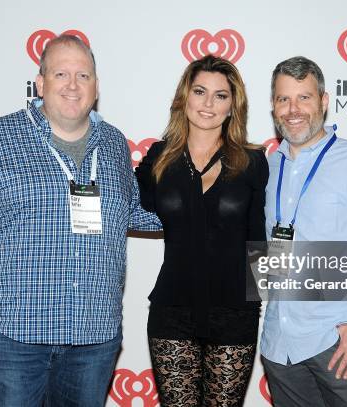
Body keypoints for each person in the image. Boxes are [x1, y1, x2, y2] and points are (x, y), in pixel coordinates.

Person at [0, 35, 160, 406]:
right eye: (61, 73)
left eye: (83, 76)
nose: (72, 85)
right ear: (40, 83)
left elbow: (132, 210)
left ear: (96, 87)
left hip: (92, 336)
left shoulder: (114, 143)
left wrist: (207, 204)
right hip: (11, 338)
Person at [260, 56, 347, 406]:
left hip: (338, 343)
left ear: (323, 101)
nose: (293, 109)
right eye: (283, 99)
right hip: (281, 346)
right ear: (273, 107)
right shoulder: (267, 166)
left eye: (304, 97)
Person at [135, 55, 268, 406]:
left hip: (235, 313)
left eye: (221, 95)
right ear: (184, 97)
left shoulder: (252, 161)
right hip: (172, 310)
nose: (208, 103)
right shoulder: (159, 157)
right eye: (200, 91)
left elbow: (259, 239)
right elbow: (128, 206)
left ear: (232, 107)